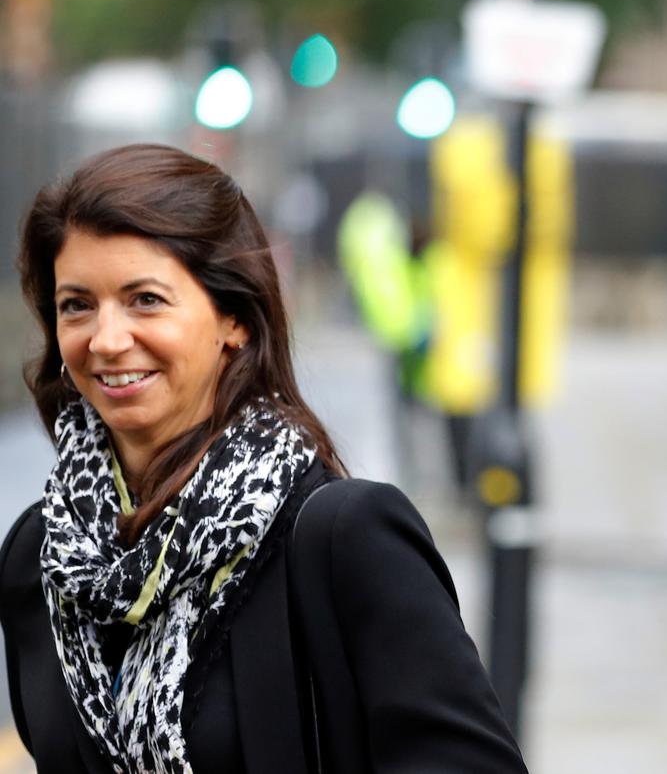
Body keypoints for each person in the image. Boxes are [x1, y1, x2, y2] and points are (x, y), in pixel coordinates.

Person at [0, 143, 528, 773]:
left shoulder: (344, 538)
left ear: (235, 320)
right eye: (77, 305)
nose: (108, 340)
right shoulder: (41, 557)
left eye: (145, 299)